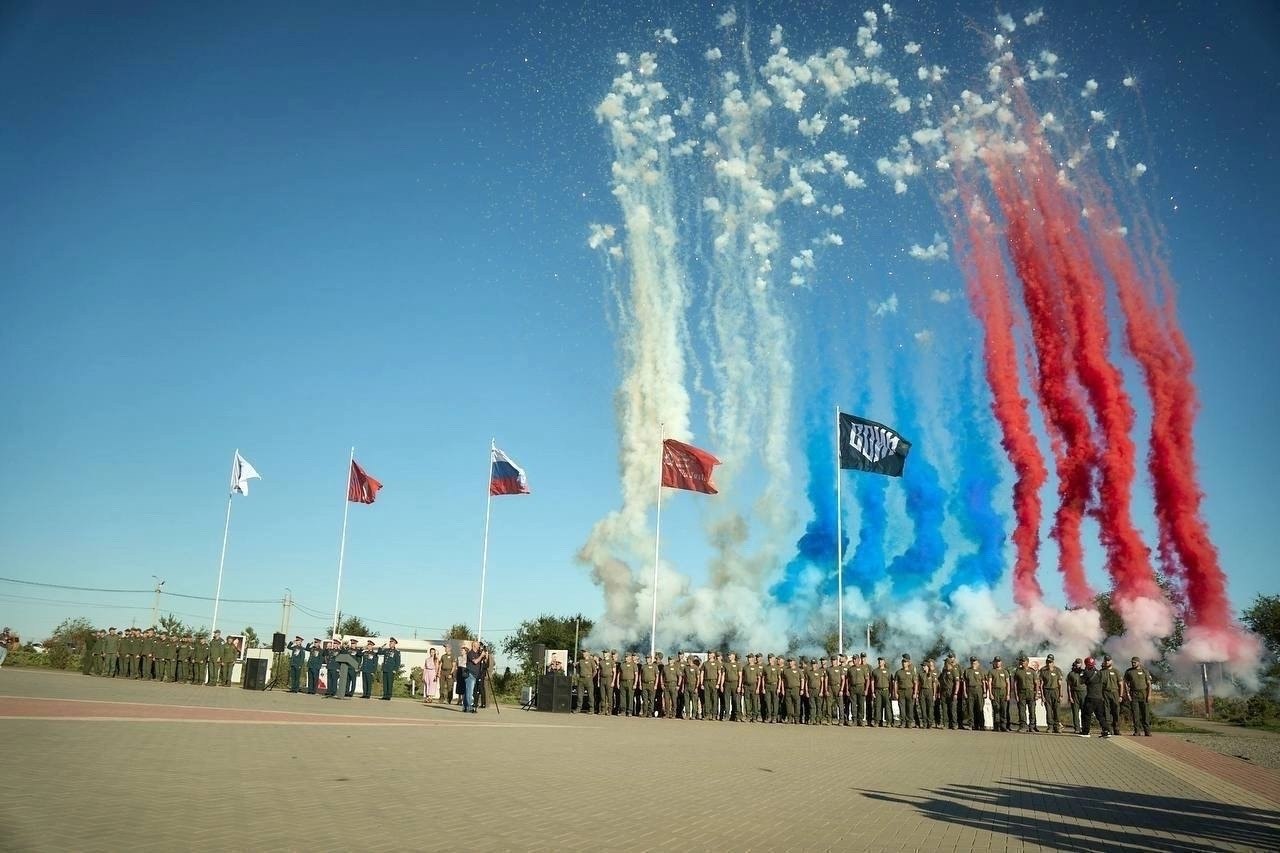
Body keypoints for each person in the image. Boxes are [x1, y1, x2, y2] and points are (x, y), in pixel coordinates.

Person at [1079, 656, 1111, 737]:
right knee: (1100, 716)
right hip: (1099, 698)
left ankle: (1086, 732)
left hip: (1090, 697)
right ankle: (1106, 731)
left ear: (1087, 664)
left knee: (1086, 715)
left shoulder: (1086, 673)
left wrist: (1082, 673)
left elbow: (1081, 681)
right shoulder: (1099, 673)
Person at [1123, 656, 1153, 736]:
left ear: (1139, 663)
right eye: (1132, 662)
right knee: (1135, 714)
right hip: (1134, 694)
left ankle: (1147, 731)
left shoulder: (1144, 671)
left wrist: (1149, 695)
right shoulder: (1129, 671)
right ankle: (1137, 731)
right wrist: (1128, 694)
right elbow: (1125, 683)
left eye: (1134, 662)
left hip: (1144, 694)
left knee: (1145, 714)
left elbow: (1149, 684)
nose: (1133, 664)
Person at [1012, 655, 1039, 733]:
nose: (1022, 662)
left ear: (1027, 662)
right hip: (1021, 693)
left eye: (1023, 661)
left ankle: (1032, 727)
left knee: (1032, 711)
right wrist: (1016, 695)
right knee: (1022, 711)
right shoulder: (1018, 671)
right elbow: (1015, 684)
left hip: (1031, 693)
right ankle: (1023, 726)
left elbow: (1036, 683)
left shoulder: (1032, 671)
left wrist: (1036, 694)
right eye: (1021, 661)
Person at [1040, 654, 1065, 733]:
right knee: (1048, 710)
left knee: (1057, 710)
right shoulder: (1043, 670)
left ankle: (1057, 726)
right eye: (1047, 662)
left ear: (1053, 662)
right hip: (1047, 691)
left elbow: (1060, 684)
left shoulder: (1057, 670)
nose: (1049, 663)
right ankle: (1050, 727)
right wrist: (1042, 696)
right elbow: (1041, 684)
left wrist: (1061, 695)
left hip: (1055, 691)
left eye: (1050, 662)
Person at [961, 656, 986, 730]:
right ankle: (971, 725)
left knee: (980, 708)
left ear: (978, 662)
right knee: (970, 708)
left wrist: (984, 692)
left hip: (979, 690)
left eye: (974, 661)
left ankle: (981, 725)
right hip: (970, 690)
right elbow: (965, 683)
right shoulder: (967, 671)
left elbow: (983, 682)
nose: (973, 662)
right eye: (972, 661)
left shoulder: (981, 671)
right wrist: (965, 692)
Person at [1100, 655, 1123, 735]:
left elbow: (1121, 684)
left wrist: (1120, 696)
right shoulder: (1101, 672)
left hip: (1115, 693)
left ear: (1111, 661)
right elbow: (1099, 685)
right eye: (1105, 660)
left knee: (1116, 711)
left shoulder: (1116, 671)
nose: (1107, 662)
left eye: (1108, 660)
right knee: (1106, 712)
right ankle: (1108, 729)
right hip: (1105, 693)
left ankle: (1116, 729)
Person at [893, 655, 917, 729]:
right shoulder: (898, 672)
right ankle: (903, 722)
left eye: (905, 662)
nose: (904, 663)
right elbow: (895, 683)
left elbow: (915, 683)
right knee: (902, 708)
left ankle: (909, 723)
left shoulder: (912, 672)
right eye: (903, 662)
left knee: (909, 708)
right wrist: (895, 693)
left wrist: (915, 693)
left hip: (909, 691)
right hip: (901, 692)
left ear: (908, 663)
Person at [988, 657, 1012, 732]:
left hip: (1003, 691)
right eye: (996, 661)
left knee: (1003, 709)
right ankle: (996, 726)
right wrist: (990, 693)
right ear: (994, 662)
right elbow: (989, 683)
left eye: (999, 661)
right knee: (996, 709)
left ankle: (1003, 726)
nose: (997, 663)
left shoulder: (1005, 671)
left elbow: (1008, 683)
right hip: (995, 691)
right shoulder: (991, 671)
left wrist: (1008, 694)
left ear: (1001, 662)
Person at [1067, 658, 1086, 732]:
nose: (1078, 664)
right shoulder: (1071, 673)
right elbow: (1068, 686)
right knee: (1075, 712)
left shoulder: (1085, 672)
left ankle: (1085, 727)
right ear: (1075, 663)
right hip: (1074, 693)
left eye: (1079, 663)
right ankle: (1077, 728)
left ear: (1081, 664)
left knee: (1084, 712)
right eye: (1077, 663)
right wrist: (1070, 697)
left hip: (1084, 693)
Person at [463, 640, 482, 713]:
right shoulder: (470, 653)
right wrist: (481, 656)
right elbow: (475, 661)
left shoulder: (478, 653)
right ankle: (470, 707)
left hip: (475, 674)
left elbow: (484, 661)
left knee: (468, 691)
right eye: (478, 645)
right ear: (474, 645)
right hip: (470, 674)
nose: (479, 646)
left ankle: (465, 707)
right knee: (469, 691)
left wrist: (484, 655)